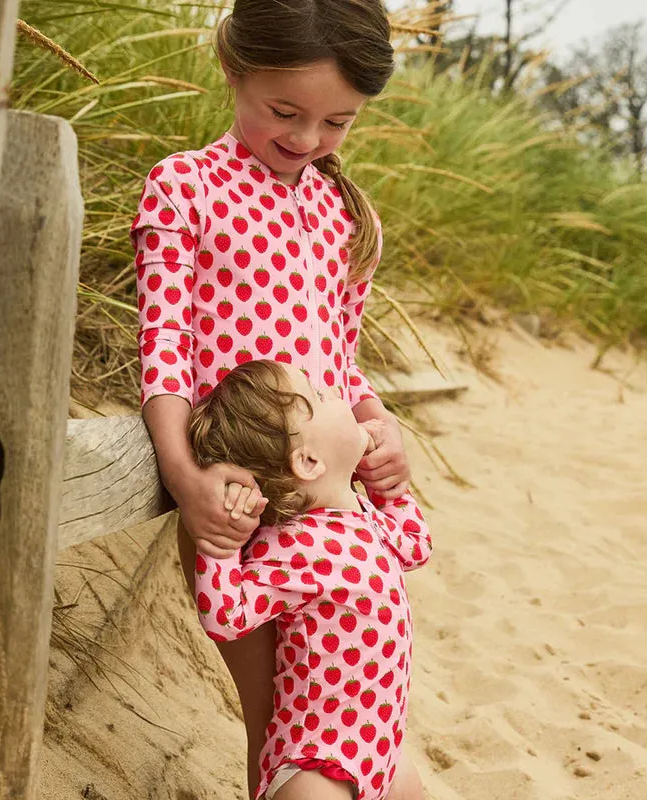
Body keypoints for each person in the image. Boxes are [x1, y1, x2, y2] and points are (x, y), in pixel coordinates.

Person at [131, 1, 410, 795]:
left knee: (358, 715)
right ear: (232, 67)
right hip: (244, 504)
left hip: (334, 506)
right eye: (284, 112)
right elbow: (165, 359)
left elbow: (343, 362)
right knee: (277, 728)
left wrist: (380, 427)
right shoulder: (185, 186)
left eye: (337, 123)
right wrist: (189, 480)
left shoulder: (345, 216)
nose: (308, 139)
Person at [188, 359, 432, 800]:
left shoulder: (367, 518)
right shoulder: (291, 545)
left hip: (384, 751)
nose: (335, 395)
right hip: (317, 761)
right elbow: (226, 617)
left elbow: (416, 543)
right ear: (309, 460)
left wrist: (385, 484)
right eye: (320, 397)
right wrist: (223, 544)